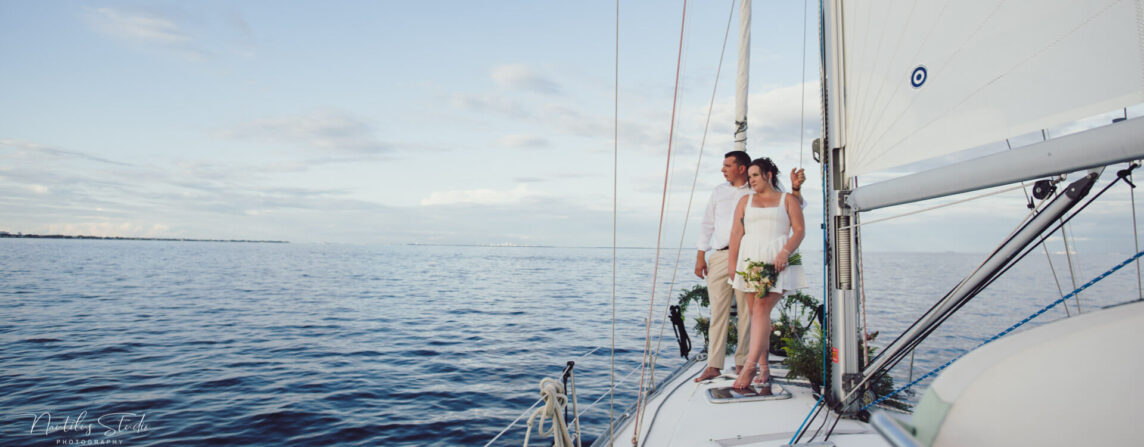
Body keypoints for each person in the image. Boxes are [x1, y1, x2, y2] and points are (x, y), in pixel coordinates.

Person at [694, 152, 806, 382]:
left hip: (760, 258)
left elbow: (794, 207)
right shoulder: (720, 192)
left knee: (752, 313)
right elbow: (709, 224)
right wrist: (701, 255)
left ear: (741, 168)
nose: (723, 170)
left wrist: (796, 188)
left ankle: (745, 363)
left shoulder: (759, 189)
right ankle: (715, 365)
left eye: (727, 165)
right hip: (726, 255)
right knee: (719, 312)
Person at [727, 157, 807, 389]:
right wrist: (733, 265)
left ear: (768, 175)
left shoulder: (788, 200)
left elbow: (800, 231)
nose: (750, 180)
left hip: (778, 258)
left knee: (761, 309)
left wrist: (784, 252)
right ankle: (764, 368)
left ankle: (750, 367)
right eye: (749, 176)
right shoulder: (745, 201)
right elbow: (735, 233)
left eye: (754, 175)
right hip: (750, 259)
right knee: (756, 314)